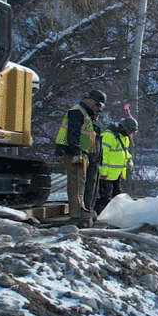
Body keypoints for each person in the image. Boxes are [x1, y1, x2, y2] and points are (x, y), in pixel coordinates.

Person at [54, 90, 105, 221]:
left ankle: (80, 210)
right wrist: (76, 151)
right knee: (76, 183)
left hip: (81, 153)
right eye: (98, 105)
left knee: (81, 182)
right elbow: (73, 133)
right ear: (91, 101)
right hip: (75, 153)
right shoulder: (77, 112)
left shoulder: (85, 114)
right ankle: (77, 213)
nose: (98, 109)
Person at [95, 116, 137, 215]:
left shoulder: (124, 137)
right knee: (105, 197)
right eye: (129, 131)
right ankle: (103, 215)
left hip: (116, 174)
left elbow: (123, 151)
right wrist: (103, 173)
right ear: (123, 128)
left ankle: (115, 215)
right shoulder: (108, 136)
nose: (130, 134)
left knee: (116, 196)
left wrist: (129, 159)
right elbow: (103, 156)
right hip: (107, 174)